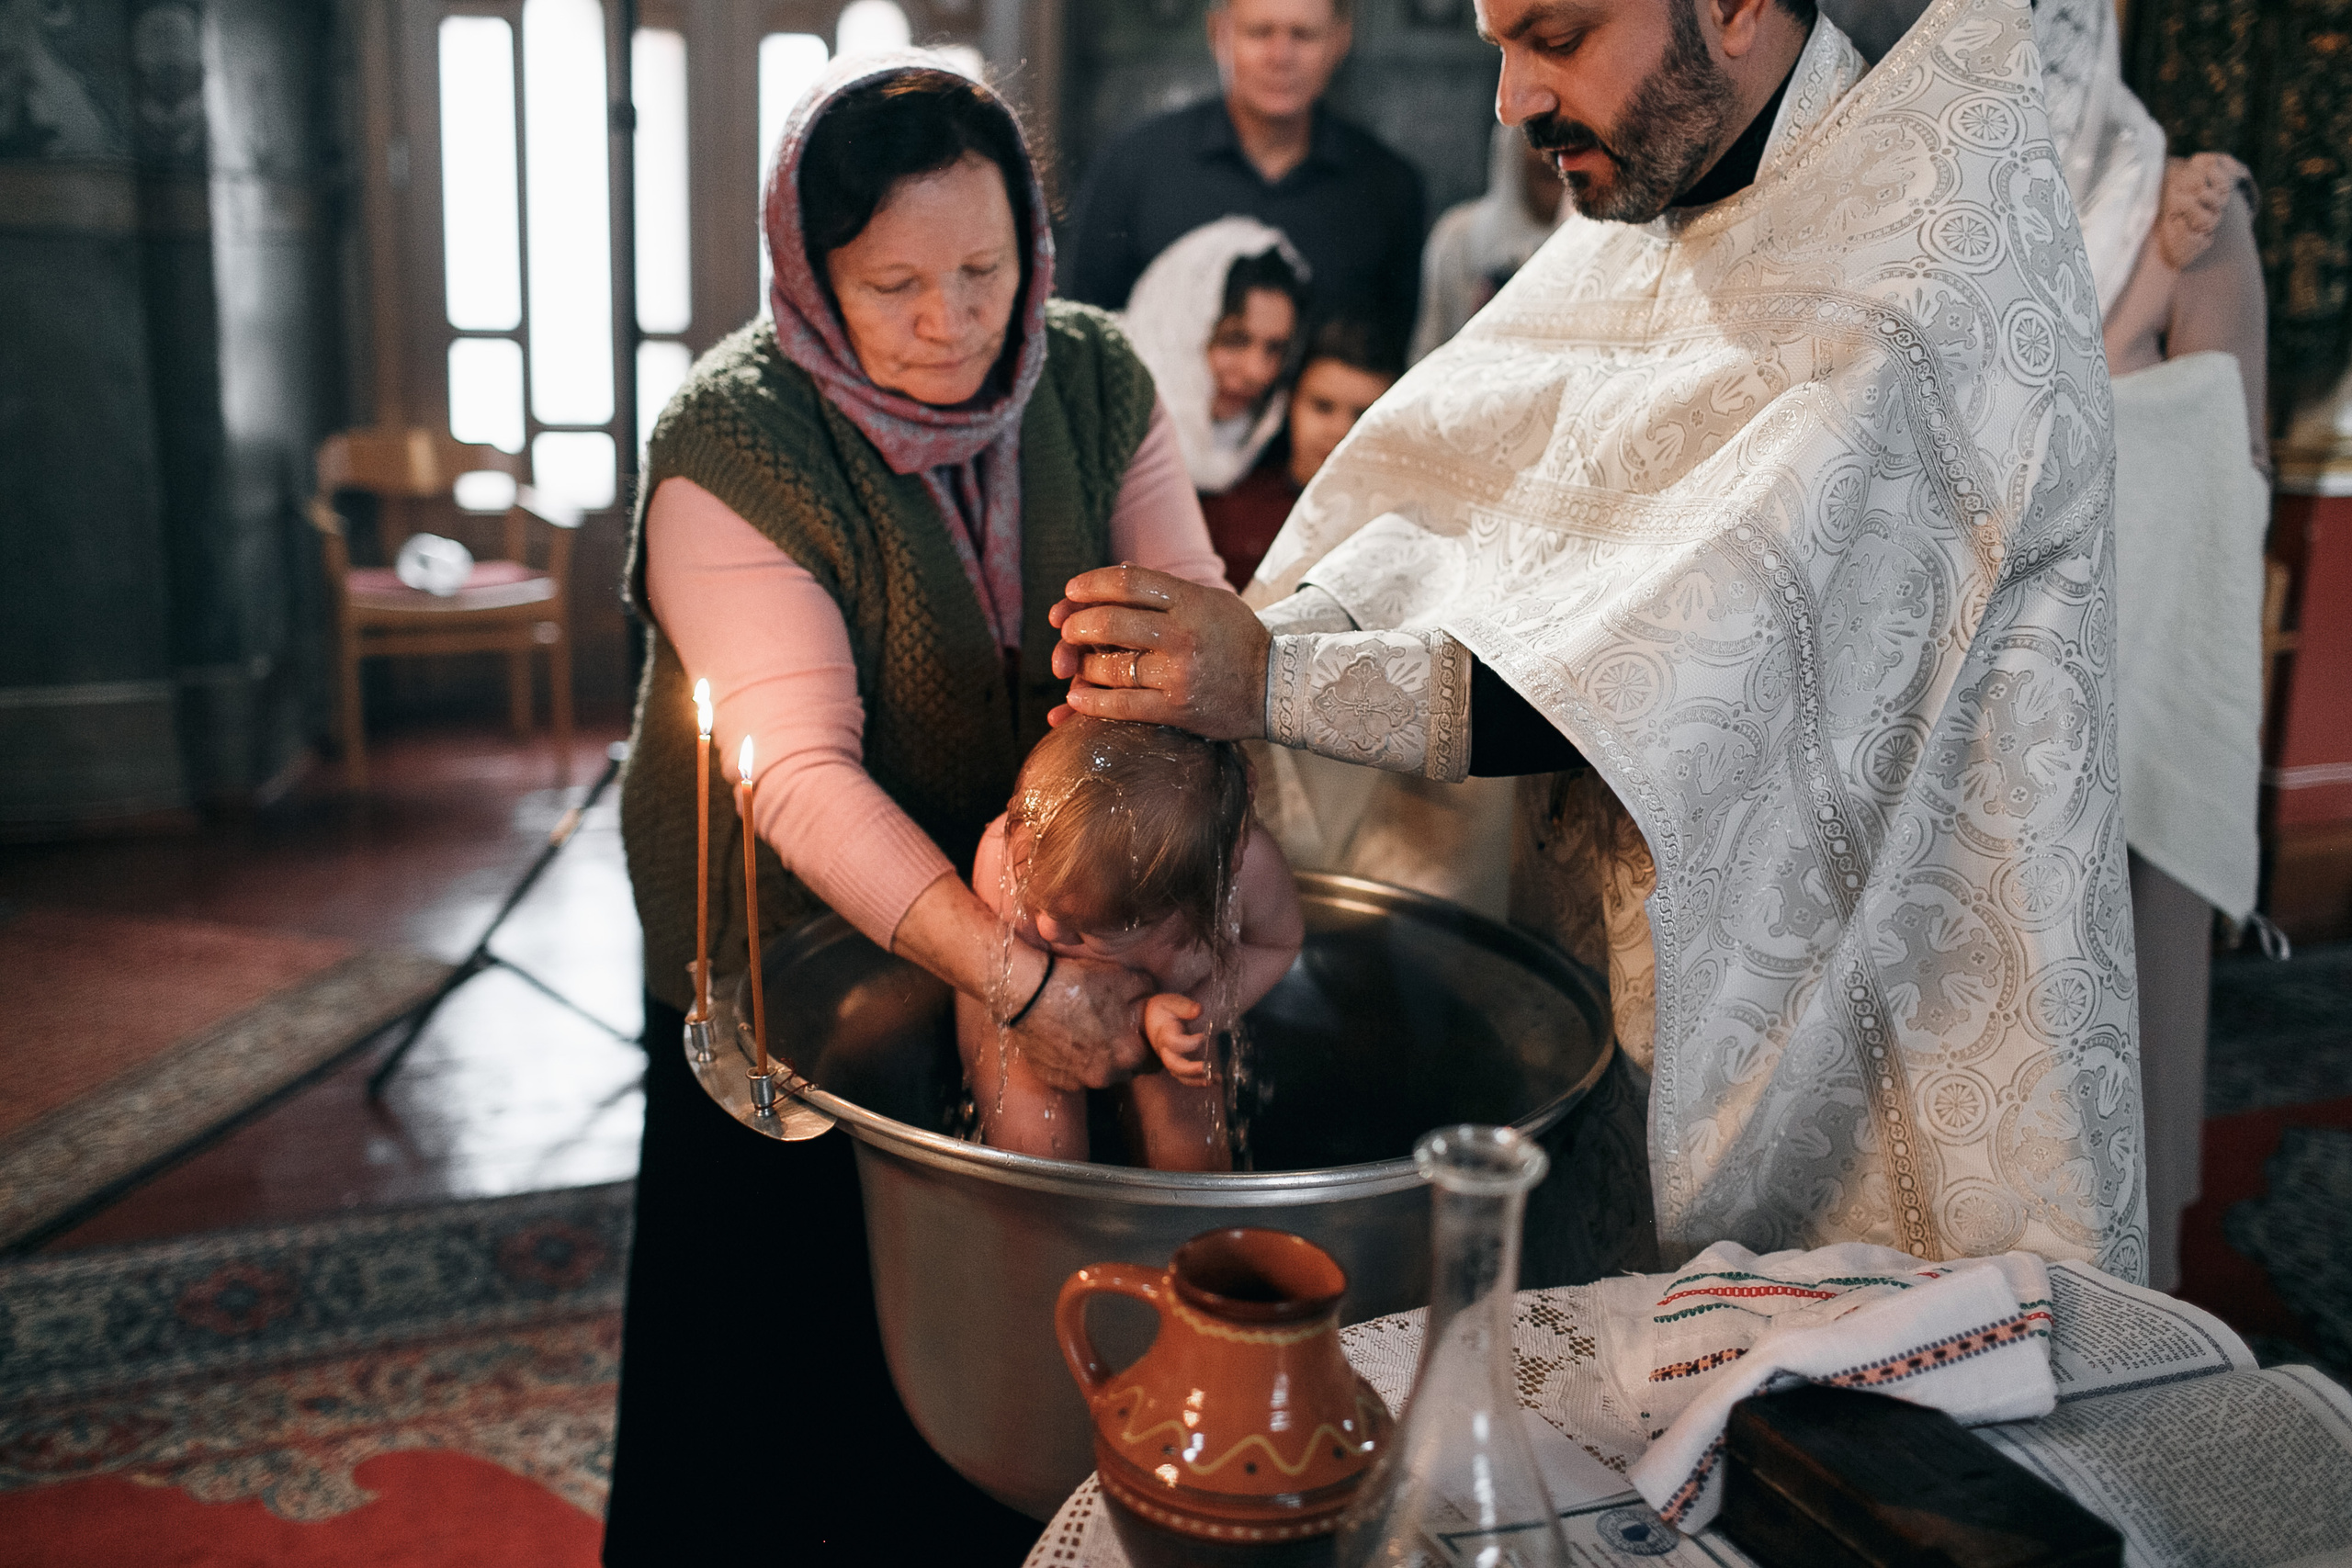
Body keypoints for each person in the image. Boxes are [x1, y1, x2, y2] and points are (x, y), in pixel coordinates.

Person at [1050, 0, 2149, 1280]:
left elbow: (1687, 660)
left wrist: (1276, 677)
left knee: (1846, 1438)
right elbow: (1451, 505)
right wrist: (1263, 639)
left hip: (1891, 1042)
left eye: (1556, 37)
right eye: (1498, 44)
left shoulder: (1919, 281)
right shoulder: (1654, 212)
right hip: (1616, 984)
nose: (1512, 101)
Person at [605, 58, 1230, 1564]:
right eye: (893, 284)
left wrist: (1177, 865)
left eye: (984, 269)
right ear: (812, 276)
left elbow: (1201, 637)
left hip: (1046, 906)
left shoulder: (1092, 379)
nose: (953, 323)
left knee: (1023, 1356)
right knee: (790, 1371)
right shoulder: (736, 446)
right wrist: (1020, 980)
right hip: (796, 966)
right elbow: (801, 775)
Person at [959, 717, 1305, 1168]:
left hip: (1175, 1001)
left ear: (1186, 905)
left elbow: (1277, 944)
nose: (1046, 930)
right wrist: (1041, 988)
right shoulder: (1006, 856)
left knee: (1197, 1165)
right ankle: (1041, 1230)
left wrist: (1192, 1020)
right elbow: (1000, 970)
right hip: (1023, 1009)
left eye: (1088, 930)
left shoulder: (1245, 875)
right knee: (1035, 1154)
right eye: (1034, 895)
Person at [1063, 0, 1427, 350]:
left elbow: (1391, 359)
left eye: (1303, 35)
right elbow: (1081, 335)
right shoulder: (1134, 167)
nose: (1280, 57)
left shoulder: (1388, 188)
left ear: (1340, 39)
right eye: (1259, 32)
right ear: (1217, 32)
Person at [1202, 315, 1402, 591]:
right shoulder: (1224, 509)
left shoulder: (1402, 532)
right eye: (1322, 406)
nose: (1341, 430)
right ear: (1289, 404)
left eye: (1363, 415)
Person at [1121, 217, 1310, 495]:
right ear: (1180, 330)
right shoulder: (1108, 424)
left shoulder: (1267, 451)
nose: (1256, 372)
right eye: (1234, 340)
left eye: (1275, 348)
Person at [1410, 123, 1566, 363]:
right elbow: (1429, 349)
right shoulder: (1459, 234)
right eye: (1538, 135)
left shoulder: (1602, 245)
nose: (1551, 153)